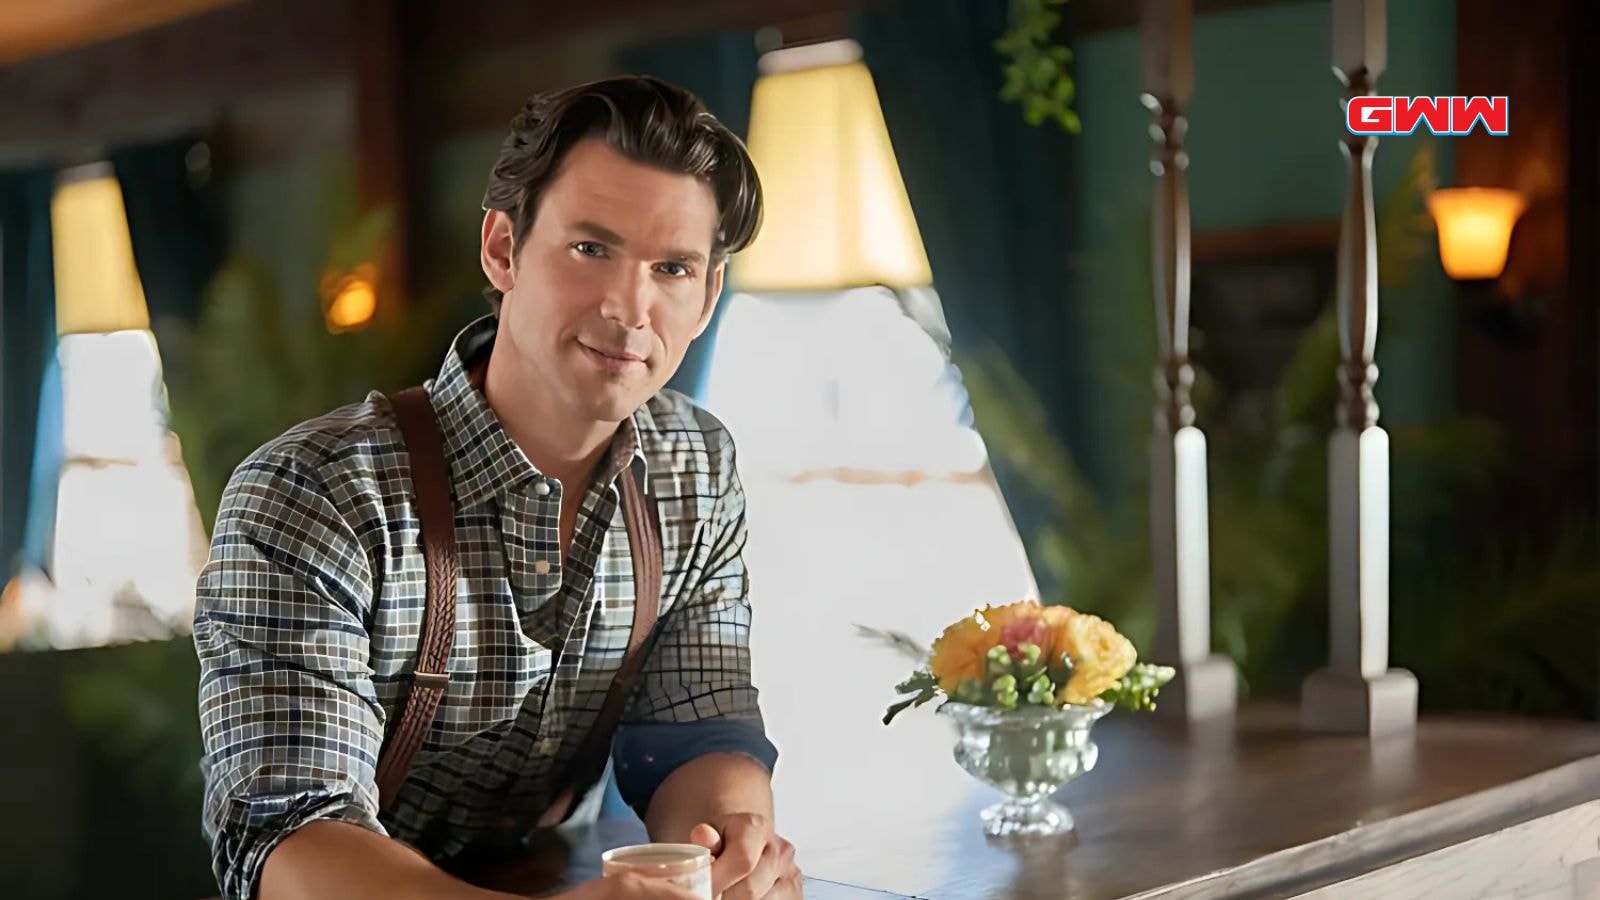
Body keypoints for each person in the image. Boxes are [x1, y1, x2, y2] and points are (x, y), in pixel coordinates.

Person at [194, 76, 800, 900]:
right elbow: (293, 839)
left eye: (672, 267)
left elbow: (696, 728)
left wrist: (730, 847)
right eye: (591, 249)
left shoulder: (695, 466)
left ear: (707, 295)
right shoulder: (313, 492)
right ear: (503, 249)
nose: (631, 307)